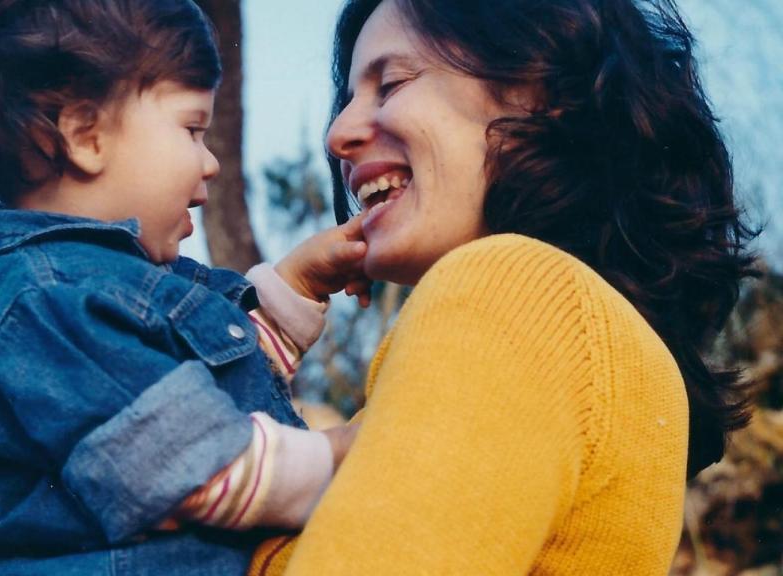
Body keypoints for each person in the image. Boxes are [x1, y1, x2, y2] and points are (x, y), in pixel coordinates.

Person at [248, 0, 760, 574]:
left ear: (540, 90)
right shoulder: (596, 345)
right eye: (346, 102)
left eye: (390, 84)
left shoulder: (521, 292)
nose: (338, 133)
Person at [0, 0, 368, 574]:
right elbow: (197, 468)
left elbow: (222, 391)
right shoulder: (48, 305)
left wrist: (298, 284)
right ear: (86, 135)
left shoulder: (113, 290)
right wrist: (352, 453)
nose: (209, 162)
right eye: (192, 128)